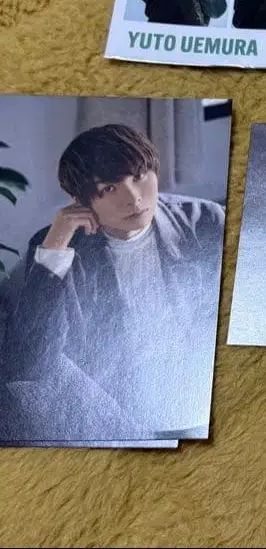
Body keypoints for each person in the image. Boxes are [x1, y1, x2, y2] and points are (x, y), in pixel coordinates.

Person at [0, 124, 225, 440]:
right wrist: (56, 245)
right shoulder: (57, 244)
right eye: (108, 188)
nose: (134, 198)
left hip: (197, 400)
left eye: (139, 176)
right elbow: (30, 364)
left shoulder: (207, 221)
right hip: (114, 415)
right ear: (81, 200)